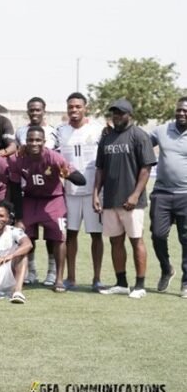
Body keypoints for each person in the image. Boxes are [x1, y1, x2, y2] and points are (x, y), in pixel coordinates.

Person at [8, 126, 86, 293]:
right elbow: (14, 188)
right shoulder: (17, 159)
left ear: (44, 142)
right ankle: (27, 273)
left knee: (59, 237)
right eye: (30, 140)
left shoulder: (54, 157)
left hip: (53, 200)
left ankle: (58, 278)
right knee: (21, 235)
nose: (34, 143)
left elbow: (82, 180)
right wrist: (19, 217)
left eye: (37, 140)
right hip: (30, 199)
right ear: (25, 142)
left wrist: (68, 174)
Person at [93, 99, 157, 299]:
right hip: (110, 199)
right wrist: (96, 193)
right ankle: (121, 283)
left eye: (120, 113)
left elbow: (146, 168)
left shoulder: (139, 136)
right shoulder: (106, 138)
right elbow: (100, 169)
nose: (117, 116)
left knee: (136, 240)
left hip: (132, 201)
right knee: (115, 241)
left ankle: (140, 285)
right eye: (114, 113)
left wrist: (136, 194)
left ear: (129, 114)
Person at [54, 92, 105, 291]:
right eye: (70, 107)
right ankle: (71, 278)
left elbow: (103, 164)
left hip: (93, 191)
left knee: (96, 235)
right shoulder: (61, 131)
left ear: (86, 108)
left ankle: (97, 279)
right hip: (70, 192)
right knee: (70, 235)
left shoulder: (98, 130)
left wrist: (98, 192)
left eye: (77, 107)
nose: (74, 110)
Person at [149, 97, 187, 298]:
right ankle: (166, 269)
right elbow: (140, 143)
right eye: (179, 110)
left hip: (185, 195)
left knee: (186, 239)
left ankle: (186, 281)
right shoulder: (162, 131)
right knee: (157, 235)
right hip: (161, 194)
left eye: (185, 111)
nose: (181, 113)